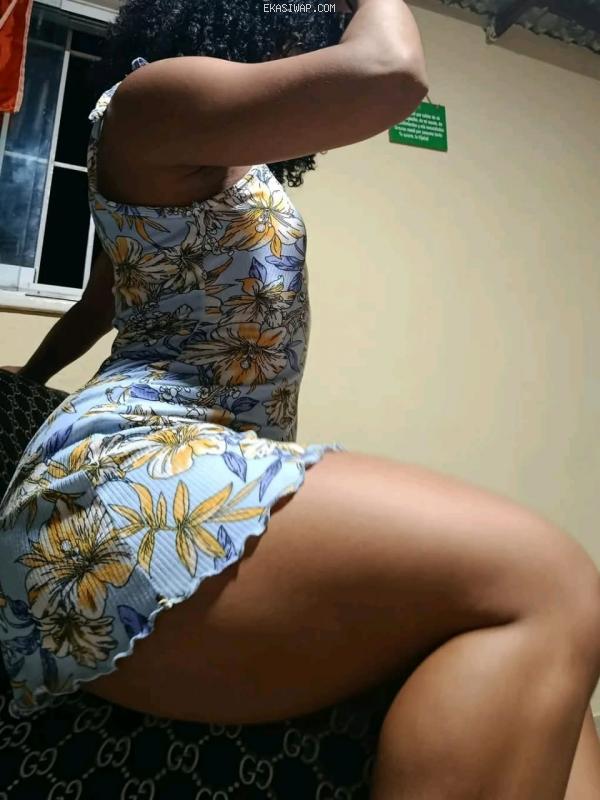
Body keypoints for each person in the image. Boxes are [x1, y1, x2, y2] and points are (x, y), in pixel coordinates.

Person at [1, 1, 599, 797]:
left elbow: (102, 300)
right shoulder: (151, 101)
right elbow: (389, 71)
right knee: (549, 582)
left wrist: (26, 382)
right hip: (129, 472)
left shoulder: (204, 160)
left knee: (557, 697)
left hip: (206, 460)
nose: (305, 34)